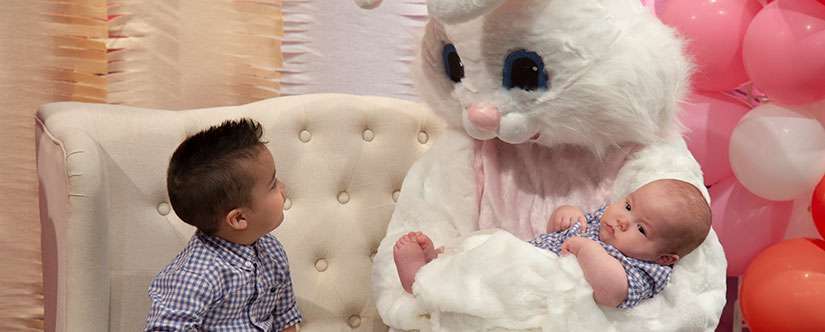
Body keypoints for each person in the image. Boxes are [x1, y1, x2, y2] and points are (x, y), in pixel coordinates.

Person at [393, 179, 711, 309]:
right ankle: (436, 264)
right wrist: (566, 215)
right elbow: (560, 234)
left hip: (541, 289)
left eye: (641, 229)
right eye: (628, 206)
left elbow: (614, 293)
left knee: (486, 288)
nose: (623, 220)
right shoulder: (606, 223)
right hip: (525, 256)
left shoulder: (644, 269)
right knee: (483, 252)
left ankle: (421, 284)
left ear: (666, 258)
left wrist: (588, 251)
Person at [145, 118, 302, 331]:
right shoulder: (196, 277)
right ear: (238, 219)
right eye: (273, 185)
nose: (283, 187)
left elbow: (285, 318)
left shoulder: (272, 250)